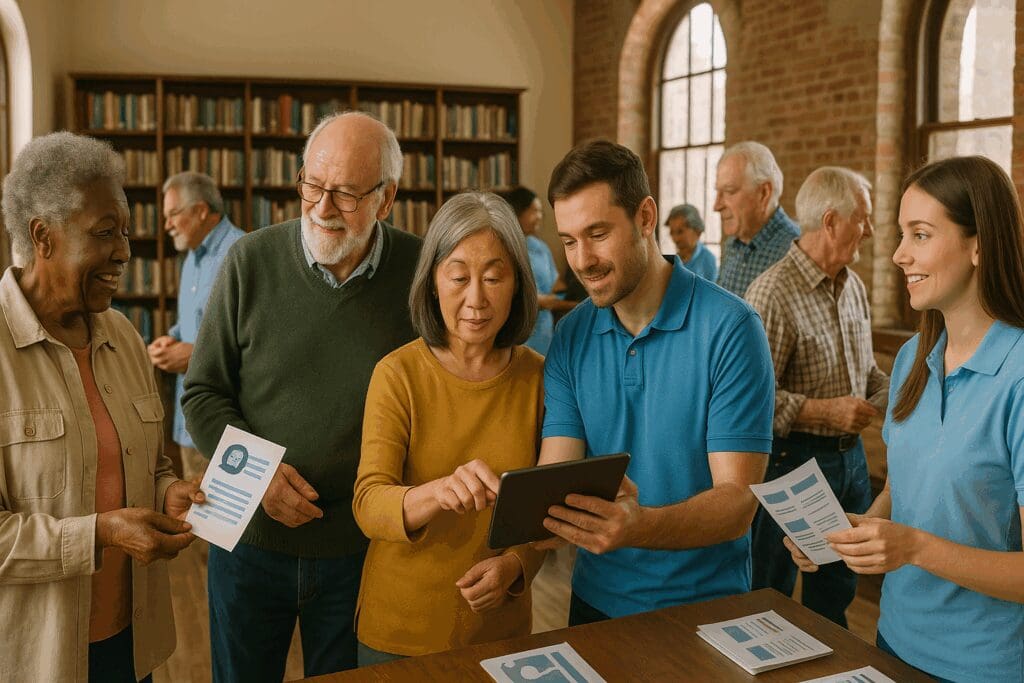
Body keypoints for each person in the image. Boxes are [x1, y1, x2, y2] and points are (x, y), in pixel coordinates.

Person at [182, 112, 422, 680]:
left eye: (344, 193)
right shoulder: (249, 261)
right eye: (312, 185)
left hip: (360, 547)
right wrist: (260, 474)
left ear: (386, 200)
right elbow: (203, 392)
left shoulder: (422, 273)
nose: (321, 207)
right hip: (246, 536)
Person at [788, 156, 1024, 682]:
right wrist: (853, 534)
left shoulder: (1019, 377)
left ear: (979, 244)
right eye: (901, 234)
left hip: (983, 667)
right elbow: (901, 492)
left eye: (920, 234)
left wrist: (912, 547)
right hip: (893, 643)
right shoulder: (914, 361)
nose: (897, 255)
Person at [537, 139, 775, 625]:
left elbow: (737, 504)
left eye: (597, 233)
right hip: (593, 603)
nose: (582, 260)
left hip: (708, 610)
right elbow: (554, 480)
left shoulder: (731, 329)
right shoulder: (570, 336)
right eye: (569, 240)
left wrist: (638, 526)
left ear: (646, 217)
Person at [0, 132, 203, 682]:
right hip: (37, 657)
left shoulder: (124, 337)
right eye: (104, 233)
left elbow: (153, 464)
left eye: (127, 232)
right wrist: (101, 534)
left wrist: (169, 492)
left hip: (130, 644)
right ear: (43, 237)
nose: (124, 252)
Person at [352, 191, 545, 664]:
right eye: (458, 277)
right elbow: (368, 503)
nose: (476, 299)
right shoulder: (398, 374)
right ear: (433, 282)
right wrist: (437, 493)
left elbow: (544, 508)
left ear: (518, 285)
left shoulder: (539, 377)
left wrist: (517, 566)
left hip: (501, 630)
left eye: (495, 277)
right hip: (398, 630)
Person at [745, 166, 888, 627]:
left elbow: (866, 374)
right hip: (791, 464)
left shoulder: (855, 286)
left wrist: (905, 393)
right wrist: (825, 413)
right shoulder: (772, 293)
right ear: (831, 222)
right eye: (862, 218)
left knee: (837, 592)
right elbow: (750, 406)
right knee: (770, 593)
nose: (869, 228)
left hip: (851, 465)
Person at [147, 171, 244, 481]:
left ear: (201, 210)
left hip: (226, 424)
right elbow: (194, 323)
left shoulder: (241, 253)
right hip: (189, 423)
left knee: (222, 527)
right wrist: (170, 339)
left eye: (173, 214)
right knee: (195, 521)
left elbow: (253, 339)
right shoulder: (191, 259)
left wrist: (195, 355)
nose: (167, 225)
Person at [714, 141, 800, 297]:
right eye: (718, 192)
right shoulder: (732, 246)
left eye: (729, 191)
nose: (716, 205)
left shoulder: (796, 251)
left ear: (764, 193)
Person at [500, 186, 575, 354]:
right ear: (518, 212)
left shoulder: (541, 247)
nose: (539, 217)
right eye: (534, 211)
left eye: (541, 211)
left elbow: (557, 285)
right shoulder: (504, 248)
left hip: (545, 335)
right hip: (519, 335)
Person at [664, 203, 717, 281]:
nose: (675, 239)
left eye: (680, 232)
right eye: (672, 232)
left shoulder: (708, 259)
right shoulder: (674, 261)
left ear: (697, 231)